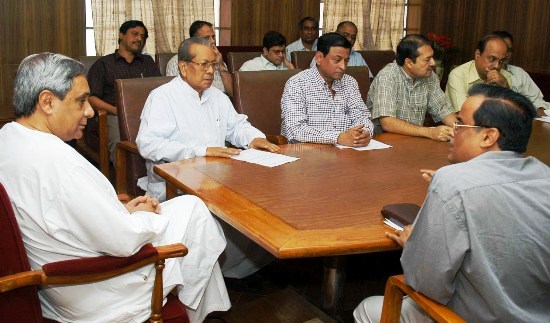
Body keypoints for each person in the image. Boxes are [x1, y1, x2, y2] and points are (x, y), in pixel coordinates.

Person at [0, 53, 231, 323]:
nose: (89, 111)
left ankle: (206, 313)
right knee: (195, 212)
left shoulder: (9, 138)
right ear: (47, 102)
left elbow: (65, 212)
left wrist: (120, 209)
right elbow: (123, 240)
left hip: (59, 283)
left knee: (190, 209)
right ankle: (200, 315)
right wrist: (145, 214)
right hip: (95, 288)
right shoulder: (60, 164)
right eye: (81, 101)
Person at [354, 84, 550, 322]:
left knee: (367, 309)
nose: (452, 130)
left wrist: (414, 245)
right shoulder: (543, 175)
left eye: (460, 124)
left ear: (488, 136)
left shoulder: (452, 182)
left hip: (471, 316)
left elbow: (426, 283)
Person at [136, 37, 279, 279]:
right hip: (176, 185)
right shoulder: (162, 97)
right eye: (204, 65)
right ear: (183, 67)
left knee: (265, 201)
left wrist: (255, 138)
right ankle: (207, 276)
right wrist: (200, 150)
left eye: (213, 64)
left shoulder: (217, 97)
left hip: (220, 178)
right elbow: (148, 145)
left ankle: (235, 270)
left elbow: (236, 126)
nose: (211, 71)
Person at [87, 20, 161, 166]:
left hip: (148, 114)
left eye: (142, 36)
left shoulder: (147, 62)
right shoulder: (103, 64)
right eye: (134, 34)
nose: (139, 39)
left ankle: (162, 179)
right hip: (114, 114)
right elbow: (91, 98)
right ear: (121, 35)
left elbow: (160, 89)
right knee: (119, 142)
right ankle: (125, 184)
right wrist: (117, 111)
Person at [281, 32, 374, 147]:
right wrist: (337, 137)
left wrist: (365, 133)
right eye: (337, 60)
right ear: (319, 58)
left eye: (346, 60)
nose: (343, 66)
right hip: (308, 154)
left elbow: (362, 116)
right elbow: (295, 130)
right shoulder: (297, 84)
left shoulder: (350, 82)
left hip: (347, 152)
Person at [367, 34, 457, 141]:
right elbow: (387, 123)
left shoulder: (429, 76)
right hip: (385, 141)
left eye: (432, 57)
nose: (433, 63)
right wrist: (430, 132)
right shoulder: (388, 76)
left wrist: (463, 129)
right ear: (409, 62)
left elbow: (443, 109)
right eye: (427, 59)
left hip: (415, 138)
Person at [166, 20, 233, 97]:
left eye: (213, 37)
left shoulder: (218, 59)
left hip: (219, 102)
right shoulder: (176, 62)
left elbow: (233, 94)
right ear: (194, 40)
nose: (212, 41)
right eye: (207, 38)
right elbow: (173, 94)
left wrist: (221, 65)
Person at [446, 34, 512, 111]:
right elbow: (464, 113)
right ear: (477, 55)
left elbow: (511, 114)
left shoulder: (505, 77)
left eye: (501, 61)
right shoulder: (458, 75)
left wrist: (505, 87)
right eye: (492, 59)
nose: (497, 66)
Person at [492, 30, 550, 117]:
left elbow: (537, 100)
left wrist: (540, 109)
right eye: (503, 49)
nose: (506, 54)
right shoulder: (482, 71)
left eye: (509, 50)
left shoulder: (519, 73)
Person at [308, 21, 373, 78]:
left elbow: (367, 79)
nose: (350, 39)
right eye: (346, 35)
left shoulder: (358, 57)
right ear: (336, 34)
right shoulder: (324, 54)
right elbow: (313, 79)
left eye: (353, 37)